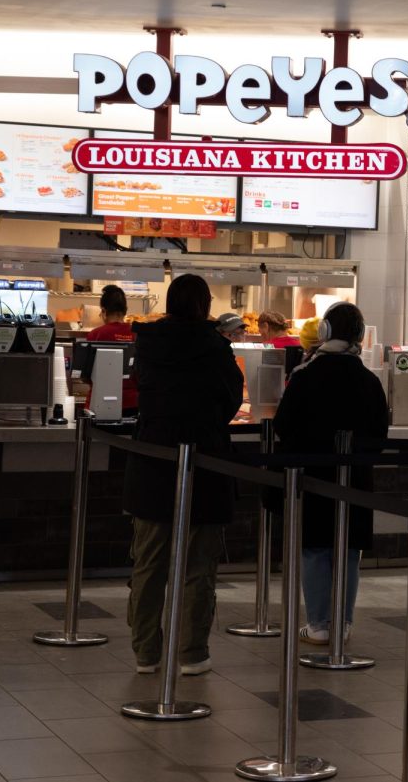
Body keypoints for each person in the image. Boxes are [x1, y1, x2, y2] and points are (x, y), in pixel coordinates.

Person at [122, 274, 244, 676]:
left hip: (153, 460)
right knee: (198, 564)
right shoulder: (216, 347)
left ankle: (145, 652)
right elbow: (230, 398)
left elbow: (141, 391)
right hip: (206, 461)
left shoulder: (148, 343)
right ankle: (192, 653)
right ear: (205, 305)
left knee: (149, 561)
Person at [272, 302, 389, 645]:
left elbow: (283, 426)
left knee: (315, 547)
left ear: (323, 332)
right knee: (350, 550)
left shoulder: (305, 375)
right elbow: (379, 435)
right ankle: (343, 622)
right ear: (359, 336)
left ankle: (319, 623)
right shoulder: (369, 380)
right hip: (355, 477)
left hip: (313, 475)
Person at [84, 284, 137, 416]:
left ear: (103, 310)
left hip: (100, 402)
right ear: (125, 311)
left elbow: (86, 375)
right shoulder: (137, 334)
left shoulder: (95, 334)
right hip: (133, 403)